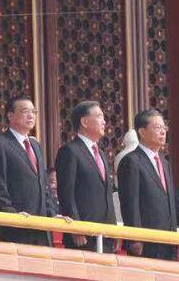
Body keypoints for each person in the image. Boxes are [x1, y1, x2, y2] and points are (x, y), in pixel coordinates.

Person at [0, 96, 57, 245]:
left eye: (33, 112)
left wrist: (52, 213)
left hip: (42, 226)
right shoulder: (0, 142)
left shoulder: (35, 145)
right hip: (17, 226)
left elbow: (43, 185)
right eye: (25, 111)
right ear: (10, 115)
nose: (31, 116)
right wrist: (11, 214)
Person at [117, 108, 178, 260]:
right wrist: (135, 237)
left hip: (169, 240)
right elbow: (130, 203)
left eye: (164, 127)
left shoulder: (164, 163)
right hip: (146, 241)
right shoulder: (131, 161)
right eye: (157, 127)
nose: (163, 132)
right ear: (142, 132)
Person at [55, 100, 115, 252]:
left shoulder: (101, 154)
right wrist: (76, 227)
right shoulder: (70, 151)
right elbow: (66, 192)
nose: (104, 121)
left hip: (105, 234)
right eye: (99, 116)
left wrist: (113, 230)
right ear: (84, 122)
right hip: (83, 236)